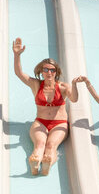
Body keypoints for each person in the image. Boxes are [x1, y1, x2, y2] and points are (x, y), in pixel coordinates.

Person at [13, 38, 79, 176]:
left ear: (56, 72)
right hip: (40, 122)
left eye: (52, 70)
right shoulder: (36, 85)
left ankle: (45, 164)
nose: (49, 72)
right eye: (46, 69)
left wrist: (74, 86)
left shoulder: (62, 86)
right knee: (40, 145)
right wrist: (17, 55)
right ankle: (35, 162)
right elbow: (19, 74)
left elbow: (74, 99)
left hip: (59, 124)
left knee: (51, 146)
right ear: (41, 71)